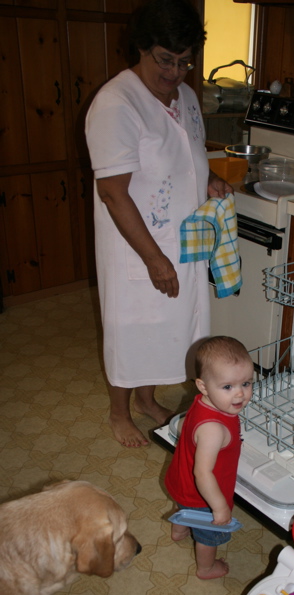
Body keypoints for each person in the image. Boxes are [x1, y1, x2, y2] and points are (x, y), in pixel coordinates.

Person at [85, 0, 232, 448]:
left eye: (185, 62)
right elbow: (113, 192)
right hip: (137, 245)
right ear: (141, 48)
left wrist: (209, 178)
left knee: (166, 326)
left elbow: (186, 154)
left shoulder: (186, 97)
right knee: (131, 328)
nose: (174, 72)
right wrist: (153, 258)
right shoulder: (116, 104)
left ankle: (146, 399)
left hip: (182, 239)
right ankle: (118, 412)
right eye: (165, 60)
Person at [165, 336, 254, 579]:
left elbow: (189, 432)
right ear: (203, 386)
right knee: (207, 533)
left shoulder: (202, 402)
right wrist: (219, 507)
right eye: (227, 387)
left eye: (246, 383)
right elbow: (203, 473)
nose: (240, 394)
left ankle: (179, 531)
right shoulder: (214, 429)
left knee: (182, 505)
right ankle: (206, 568)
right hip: (203, 496)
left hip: (182, 481)